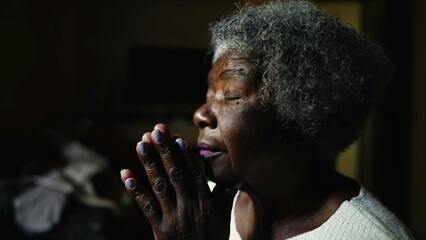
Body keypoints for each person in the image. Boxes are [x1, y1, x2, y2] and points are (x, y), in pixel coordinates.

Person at [120, 0, 415, 239]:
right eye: (209, 94)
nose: (200, 114)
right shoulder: (206, 205)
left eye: (231, 94)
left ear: (301, 114)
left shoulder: (369, 235)